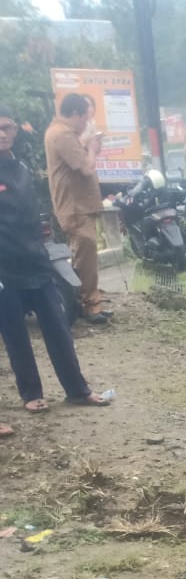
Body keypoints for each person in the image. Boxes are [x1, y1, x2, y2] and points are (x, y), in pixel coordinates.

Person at [0, 105, 112, 412]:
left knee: (59, 328)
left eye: (8, 127)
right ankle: (31, 394)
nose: (4, 134)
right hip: (4, 269)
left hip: (36, 261)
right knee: (16, 336)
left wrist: (41, 248)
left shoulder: (20, 168)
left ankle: (77, 390)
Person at [44, 92, 111, 324]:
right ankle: (90, 303)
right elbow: (85, 168)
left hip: (79, 205)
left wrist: (87, 145)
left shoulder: (65, 134)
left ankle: (87, 299)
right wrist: (92, 148)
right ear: (75, 114)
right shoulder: (61, 134)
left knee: (86, 254)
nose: (85, 124)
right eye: (84, 118)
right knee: (86, 253)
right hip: (74, 207)